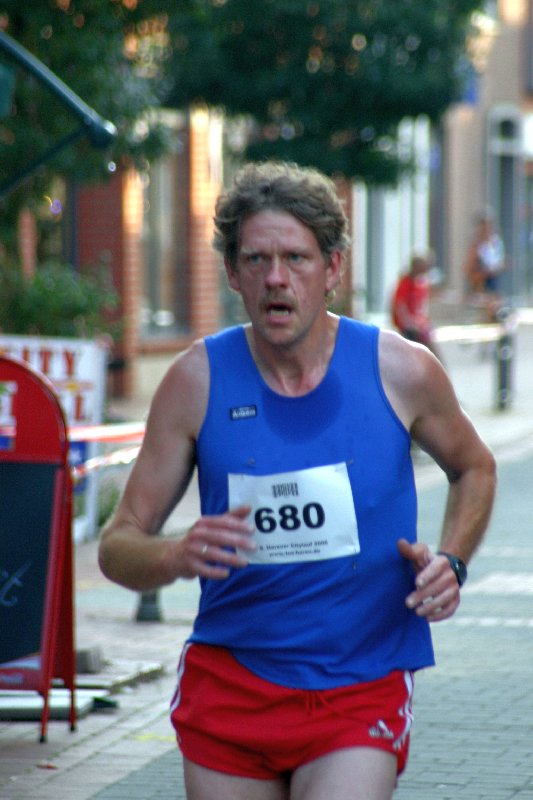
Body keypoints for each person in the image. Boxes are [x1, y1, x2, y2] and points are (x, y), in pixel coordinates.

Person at [98, 161, 496, 800]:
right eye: (256, 259)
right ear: (232, 273)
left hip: (359, 682)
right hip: (232, 686)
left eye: (295, 258)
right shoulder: (195, 381)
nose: (275, 278)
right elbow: (118, 544)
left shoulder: (401, 370)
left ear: (332, 268)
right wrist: (174, 555)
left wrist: (452, 560)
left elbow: (475, 466)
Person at [391, 251, 443, 361]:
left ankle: (437, 365)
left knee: (430, 345)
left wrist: (423, 321)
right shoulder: (405, 283)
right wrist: (409, 323)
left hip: (418, 323)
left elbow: (421, 306)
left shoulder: (420, 283)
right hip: (409, 327)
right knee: (425, 347)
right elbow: (400, 307)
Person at [464, 209, 506, 321]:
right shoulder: (476, 244)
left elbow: (499, 261)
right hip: (481, 281)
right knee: (486, 304)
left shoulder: (496, 242)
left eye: (489, 226)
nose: (487, 229)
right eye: (484, 226)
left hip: (493, 279)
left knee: (496, 303)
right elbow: (469, 268)